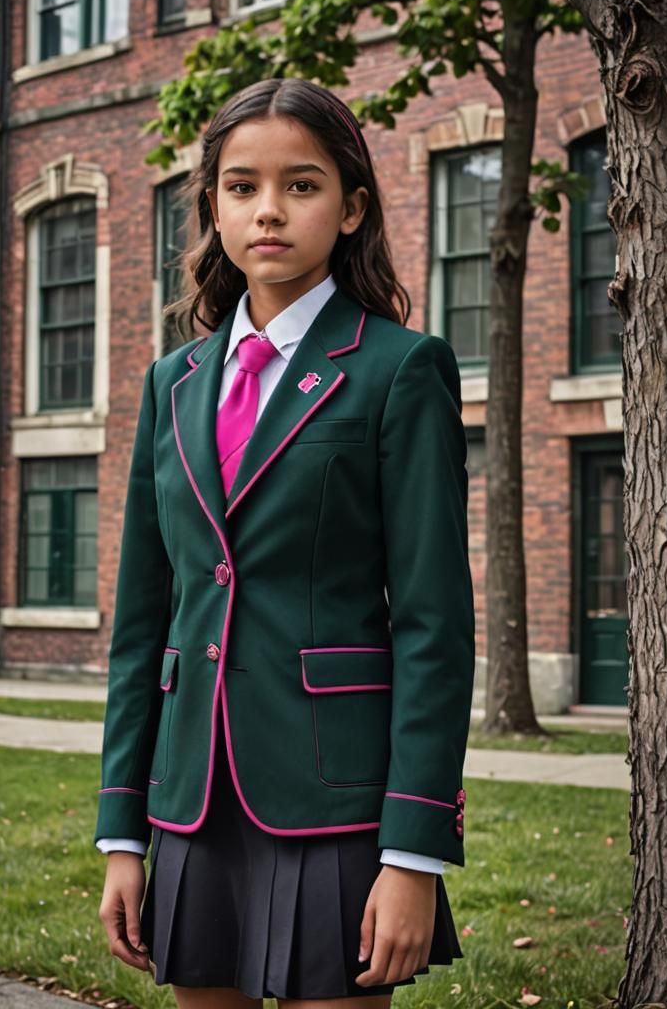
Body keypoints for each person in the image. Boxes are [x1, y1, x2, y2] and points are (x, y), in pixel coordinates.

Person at [94, 76, 475, 1008]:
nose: (269, 210)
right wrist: (122, 833)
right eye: (241, 186)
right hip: (193, 798)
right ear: (213, 209)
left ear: (350, 209)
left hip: (336, 802)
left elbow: (433, 623)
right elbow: (146, 619)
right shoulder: (170, 383)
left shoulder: (399, 370)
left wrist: (414, 851)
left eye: (301, 186)